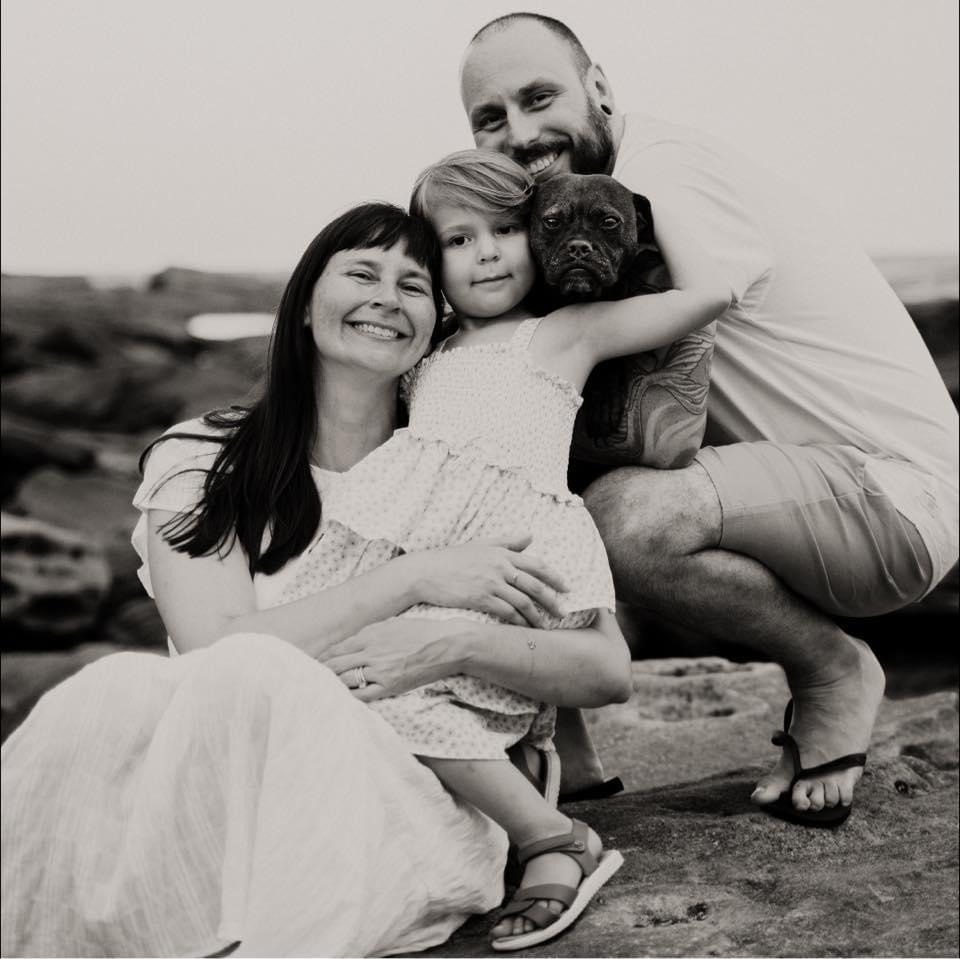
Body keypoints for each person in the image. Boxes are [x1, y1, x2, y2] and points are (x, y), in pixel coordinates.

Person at [0, 203, 634, 958]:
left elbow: (604, 668)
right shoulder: (205, 456)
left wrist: (457, 645)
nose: (387, 298)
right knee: (108, 693)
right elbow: (214, 649)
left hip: (400, 789)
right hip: (219, 784)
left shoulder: (471, 467)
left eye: (415, 285)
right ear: (305, 302)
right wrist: (416, 577)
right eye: (362, 273)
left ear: (439, 321)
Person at [458, 12, 959, 827]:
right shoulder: (605, 189)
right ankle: (561, 740)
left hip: (892, 494)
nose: (519, 131)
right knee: (504, 475)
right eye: (490, 117)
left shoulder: (663, 173)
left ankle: (834, 671)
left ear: (600, 88)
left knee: (620, 511)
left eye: (538, 96)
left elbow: (664, 425)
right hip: (797, 495)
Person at [281, 149, 728, 949]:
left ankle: (553, 839)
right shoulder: (430, 350)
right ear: (432, 263)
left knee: (405, 697)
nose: (485, 251)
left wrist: (651, 228)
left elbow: (710, 295)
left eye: (507, 229)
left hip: (521, 559)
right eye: (456, 240)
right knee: (326, 672)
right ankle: (518, 761)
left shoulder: (564, 333)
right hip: (431, 557)